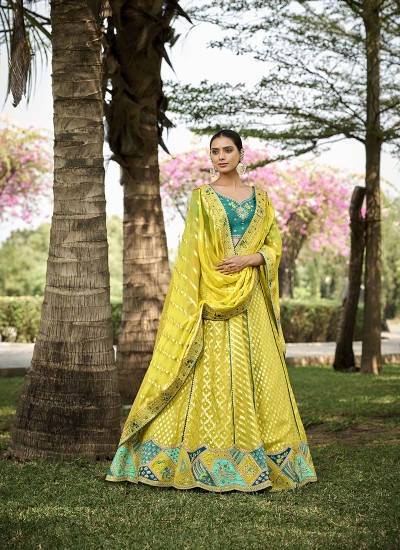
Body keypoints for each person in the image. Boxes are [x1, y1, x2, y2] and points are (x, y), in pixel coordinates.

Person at [106, 129, 317, 493]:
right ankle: (198, 457)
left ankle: (265, 458)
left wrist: (251, 259)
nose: (221, 156)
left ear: (241, 154)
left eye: (227, 150)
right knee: (210, 373)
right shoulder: (202, 198)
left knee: (260, 373)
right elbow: (193, 251)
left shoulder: (262, 199)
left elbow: (273, 245)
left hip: (252, 299)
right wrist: (198, 298)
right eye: (215, 151)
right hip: (211, 298)